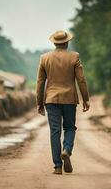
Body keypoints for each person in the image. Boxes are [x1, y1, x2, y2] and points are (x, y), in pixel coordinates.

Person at [36, 30, 90, 175]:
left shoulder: (44, 58)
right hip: (69, 99)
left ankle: (58, 167)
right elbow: (81, 80)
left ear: (54, 42)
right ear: (67, 42)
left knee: (55, 131)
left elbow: (40, 82)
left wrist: (39, 102)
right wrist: (86, 98)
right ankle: (66, 150)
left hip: (51, 99)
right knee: (70, 128)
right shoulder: (74, 57)